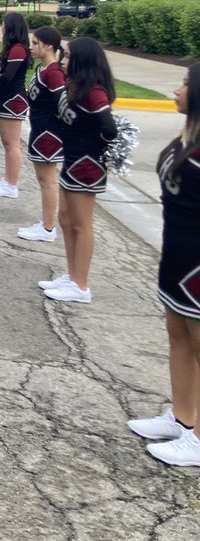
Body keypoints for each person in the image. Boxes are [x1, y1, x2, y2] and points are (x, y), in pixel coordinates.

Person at [127, 63, 200, 466]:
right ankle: (183, 417)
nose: (176, 90)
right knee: (178, 334)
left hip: (197, 263)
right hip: (177, 252)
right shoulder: (187, 137)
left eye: (186, 84)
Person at [43, 37, 118, 303]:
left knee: (82, 224)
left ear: (82, 59)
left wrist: (94, 149)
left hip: (86, 167)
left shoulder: (94, 92)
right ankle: (72, 274)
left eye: (68, 55)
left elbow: (109, 129)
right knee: (65, 218)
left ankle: (80, 284)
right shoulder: (76, 86)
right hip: (71, 161)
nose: (63, 58)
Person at [20, 27, 66, 242]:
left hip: (49, 134)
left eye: (35, 43)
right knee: (42, 179)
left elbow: (62, 105)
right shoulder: (42, 68)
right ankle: (45, 222)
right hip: (38, 130)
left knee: (48, 181)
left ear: (49, 46)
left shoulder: (55, 73)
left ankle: (48, 228)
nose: (31, 46)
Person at [0, 11, 31, 198]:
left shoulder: (18, 49)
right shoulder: (13, 49)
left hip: (14, 100)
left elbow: (8, 77)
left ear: (11, 27)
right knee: (7, 143)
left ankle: (11, 185)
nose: (2, 27)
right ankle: (7, 179)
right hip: (7, 98)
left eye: (4, 23)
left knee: (12, 144)